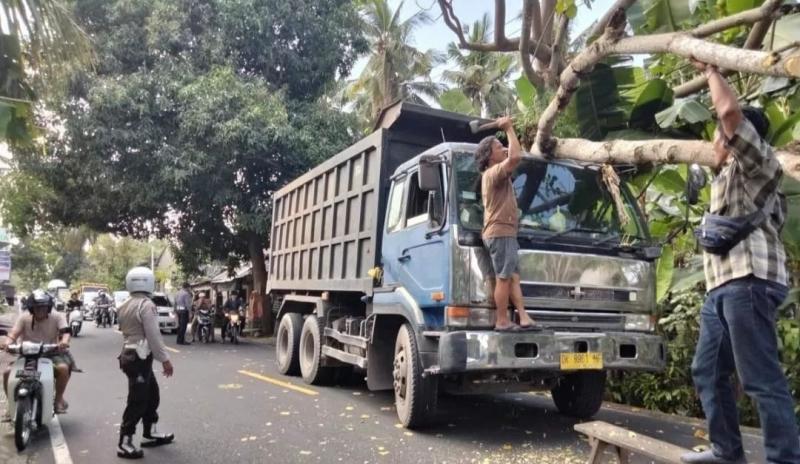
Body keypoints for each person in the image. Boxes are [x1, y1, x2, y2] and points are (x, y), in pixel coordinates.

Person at [680, 60, 800, 464]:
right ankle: (726, 451)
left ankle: (784, 458)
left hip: (749, 282)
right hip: (722, 287)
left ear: (736, 138)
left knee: (760, 379)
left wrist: (711, 69)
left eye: (720, 134)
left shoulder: (759, 164)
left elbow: (729, 112)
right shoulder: (726, 175)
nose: (716, 138)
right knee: (708, 371)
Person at [474, 116, 536, 332]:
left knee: (513, 278)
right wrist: (509, 128)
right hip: (499, 232)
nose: (504, 149)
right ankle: (501, 320)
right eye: (499, 147)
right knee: (503, 279)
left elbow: (513, 154)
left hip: (506, 232)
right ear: (490, 156)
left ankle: (524, 317)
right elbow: (516, 156)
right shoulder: (492, 173)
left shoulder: (498, 173)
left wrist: (508, 144)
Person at [116, 266, 175, 459]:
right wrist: (165, 360)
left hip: (130, 354)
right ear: (149, 282)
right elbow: (153, 335)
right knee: (137, 400)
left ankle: (150, 432)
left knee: (152, 395)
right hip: (139, 357)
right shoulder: (146, 305)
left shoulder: (124, 304)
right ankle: (125, 442)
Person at [1, 290, 72, 414]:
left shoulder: (57, 316)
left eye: (43, 307)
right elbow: (13, 333)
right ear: (31, 308)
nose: (40, 310)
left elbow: (65, 332)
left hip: (50, 353)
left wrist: (64, 342)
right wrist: (7, 343)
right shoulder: (24, 317)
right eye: (37, 307)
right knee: (7, 372)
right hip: (26, 354)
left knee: (63, 368)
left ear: (48, 307)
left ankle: (58, 399)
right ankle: (11, 405)